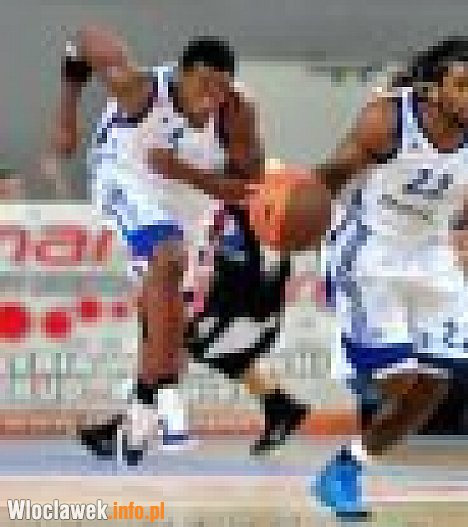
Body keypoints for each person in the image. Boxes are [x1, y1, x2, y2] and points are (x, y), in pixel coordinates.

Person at [51, 26, 307, 464]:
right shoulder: (140, 89)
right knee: (167, 262)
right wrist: (67, 114)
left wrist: (184, 172)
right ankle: (156, 408)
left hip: (191, 197)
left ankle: (138, 414)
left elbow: (245, 188)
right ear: (181, 74)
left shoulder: (238, 112)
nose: (212, 96)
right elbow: (83, 39)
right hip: (128, 176)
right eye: (204, 84)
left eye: (221, 87)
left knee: (166, 317)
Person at [312, 36, 468, 519]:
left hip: (434, 254)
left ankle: (346, 467)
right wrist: (296, 217)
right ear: (432, 89)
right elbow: (330, 175)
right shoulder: (386, 119)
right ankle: (361, 363)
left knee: (434, 386)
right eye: (462, 85)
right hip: (370, 251)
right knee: (401, 381)